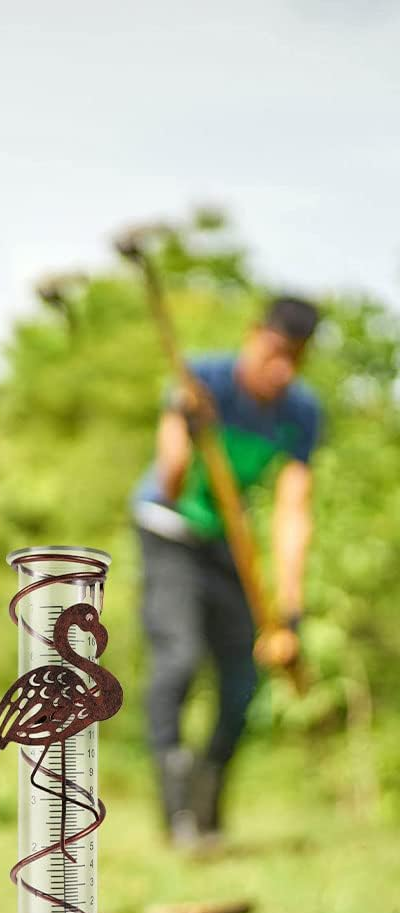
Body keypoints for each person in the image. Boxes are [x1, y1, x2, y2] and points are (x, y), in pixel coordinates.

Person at [131, 296, 321, 846]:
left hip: (226, 546)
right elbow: (170, 479)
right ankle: (176, 813)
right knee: (180, 657)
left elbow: (293, 510)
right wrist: (187, 432)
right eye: (276, 352)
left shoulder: (300, 413)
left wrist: (287, 609)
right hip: (167, 527)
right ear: (253, 335)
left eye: (297, 358)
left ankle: (207, 806)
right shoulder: (203, 379)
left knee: (242, 682)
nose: (283, 369)